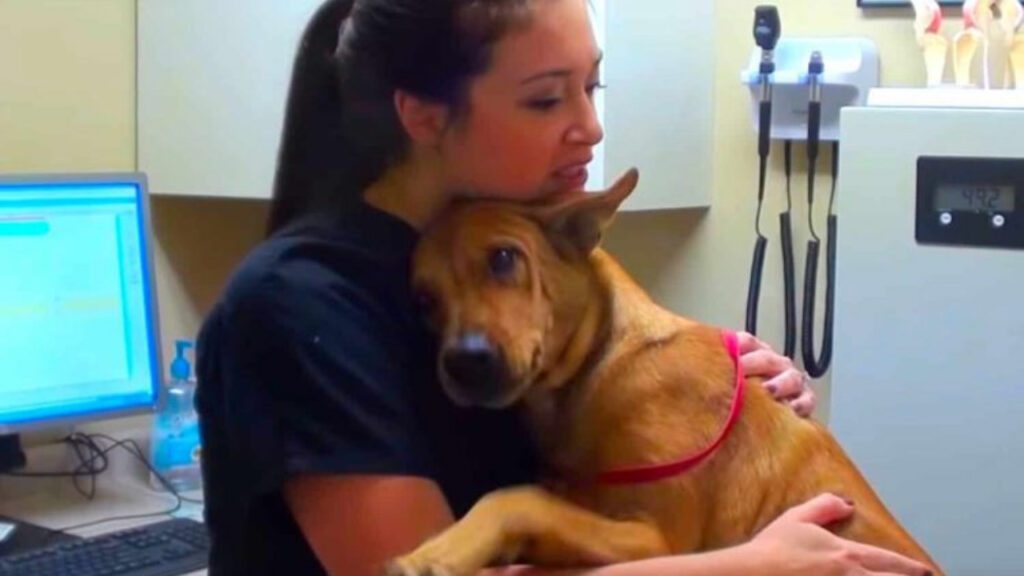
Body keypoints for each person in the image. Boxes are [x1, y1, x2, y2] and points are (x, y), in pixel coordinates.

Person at [194, 1, 932, 575]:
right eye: (547, 100)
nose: (589, 126)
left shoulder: (506, 255)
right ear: (421, 114)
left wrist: (731, 410)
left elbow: (606, 488)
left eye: (592, 84)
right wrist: (745, 565)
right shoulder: (301, 304)